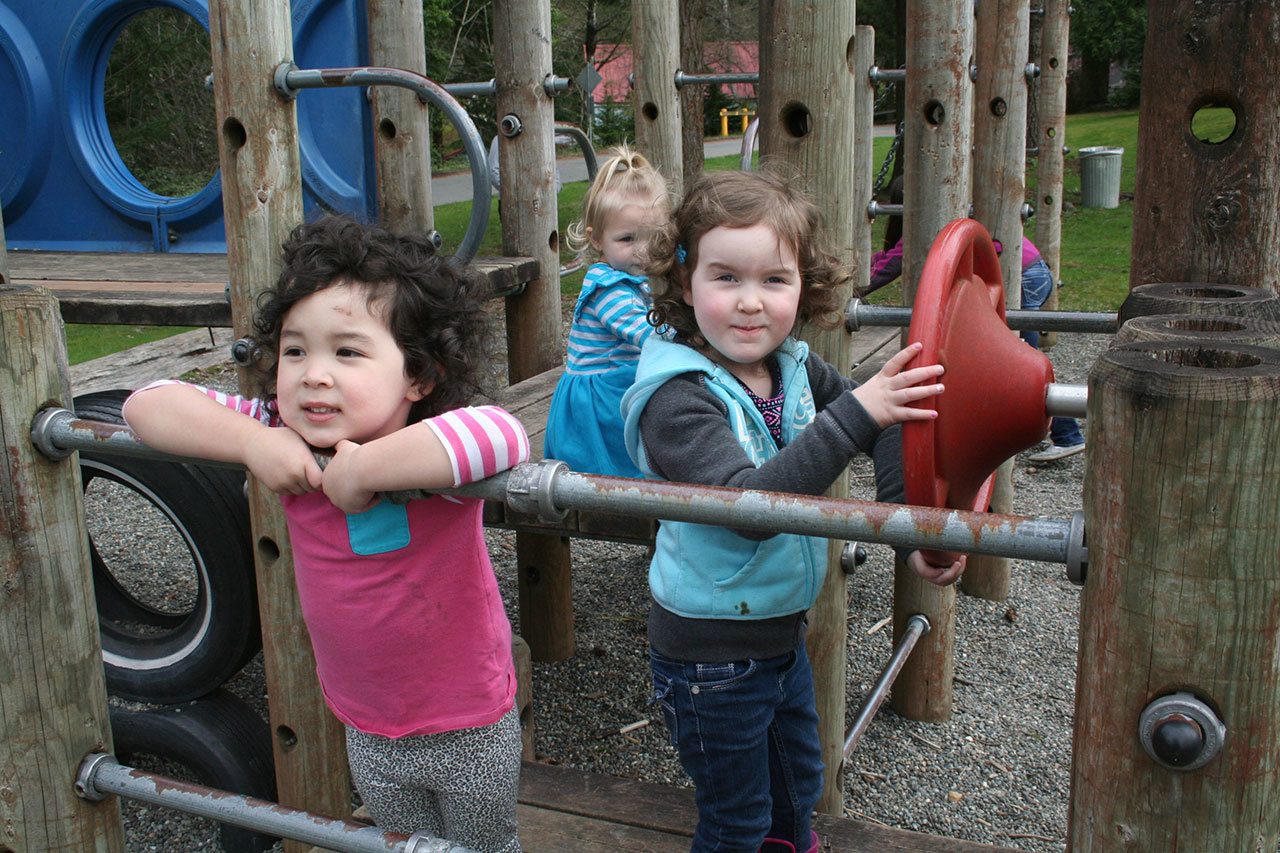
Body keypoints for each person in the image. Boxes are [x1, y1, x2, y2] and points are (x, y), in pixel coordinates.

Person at [123, 215, 528, 853]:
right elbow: (145, 403)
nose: (314, 374)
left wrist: (366, 469)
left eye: (347, 352)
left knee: (480, 848)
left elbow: (503, 433)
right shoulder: (278, 432)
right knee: (399, 844)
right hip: (365, 718)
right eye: (295, 350)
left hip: (466, 717)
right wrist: (252, 442)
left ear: (418, 377)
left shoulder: (428, 449)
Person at [619, 169, 965, 853]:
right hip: (709, 656)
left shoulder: (793, 368)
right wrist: (856, 413)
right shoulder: (676, 398)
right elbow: (748, 507)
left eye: (774, 280)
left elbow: (886, 427)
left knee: (797, 787)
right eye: (726, 278)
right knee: (736, 818)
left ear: (804, 285)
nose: (751, 302)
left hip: (779, 635)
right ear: (684, 282)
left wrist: (908, 530)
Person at [867, 180, 1085, 462]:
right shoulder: (958, 218)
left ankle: (1067, 435)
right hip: (1036, 273)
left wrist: (852, 288)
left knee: (1023, 364)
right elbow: (887, 258)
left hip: (1023, 279)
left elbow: (887, 267)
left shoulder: (929, 228)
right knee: (1017, 359)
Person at [543, 143, 669, 477]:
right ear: (597, 238)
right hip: (598, 404)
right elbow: (650, 335)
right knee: (620, 468)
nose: (643, 250)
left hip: (617, 384)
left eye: (654, 238)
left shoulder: (634, 276)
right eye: (627, 239)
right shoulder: (607, 289)